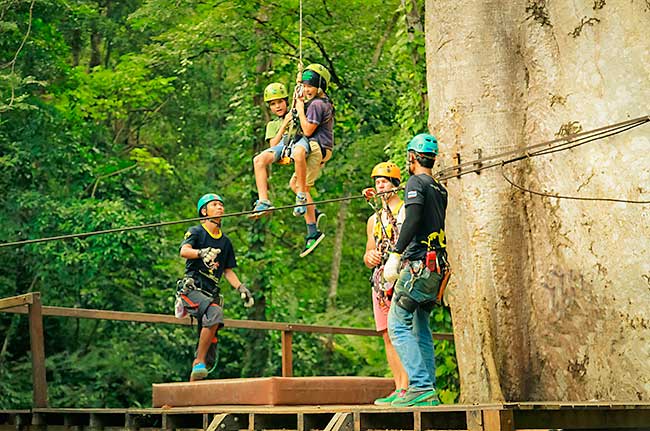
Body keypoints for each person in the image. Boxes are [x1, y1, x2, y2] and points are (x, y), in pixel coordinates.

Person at [383, 133, 449, 407]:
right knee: (421, 325)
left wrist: (396, 254)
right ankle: (428, 389)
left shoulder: (415, 183)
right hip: (436, 267)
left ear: (412, 156)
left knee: (397, 325)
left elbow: (412, 220)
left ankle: (420, 386)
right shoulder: (440, 188)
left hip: (419, 264)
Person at [178, 193, 254, 381]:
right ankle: (198, 361)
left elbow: (227, 270)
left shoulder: (225, 242)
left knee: (212, 339)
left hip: (210, 293)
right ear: (204, 211)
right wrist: (201, 252)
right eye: (214, 205)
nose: (220, 207)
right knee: (215, 314)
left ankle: (199, 373)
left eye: (221, 204)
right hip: (192, 288)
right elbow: (184, 251)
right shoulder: (196, 232)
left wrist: (241, 288)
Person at [250, 78, 327, 254]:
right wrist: (284, 123)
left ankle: (302, 199)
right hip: (282, 145)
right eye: (273, 104)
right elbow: (273, 145)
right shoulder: (273, 124)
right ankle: (264, 200)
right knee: (258, 160)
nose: (277, 106)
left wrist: (299, 98)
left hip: (299, 142)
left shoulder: (298, 111)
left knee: (299, 156)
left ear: (286, 101)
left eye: (280, 102)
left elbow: (305, 109)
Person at [361, 162, 409, 405]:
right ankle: (398, 385)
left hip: (400, 277)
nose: (380, 185)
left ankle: (409, 387)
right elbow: (368, 252)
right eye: (377, 182)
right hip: (380, 282)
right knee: (387, 335)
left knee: (403, 332)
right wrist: (369, 257)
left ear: (395, 185)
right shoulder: (373, 219)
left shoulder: (405, 210)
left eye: (385, 181)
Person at [291, 63, 334, 257]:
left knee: (303, 189)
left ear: (320, 87)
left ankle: (312, 233)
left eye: (310, 86)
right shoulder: (317, 101)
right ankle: (314, 214)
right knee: (295, 184)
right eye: (305, 86)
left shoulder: (317, 104)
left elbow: (308, 130)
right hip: (316, 147)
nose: (307, 90)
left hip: (318, 147)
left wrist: (300, 109)